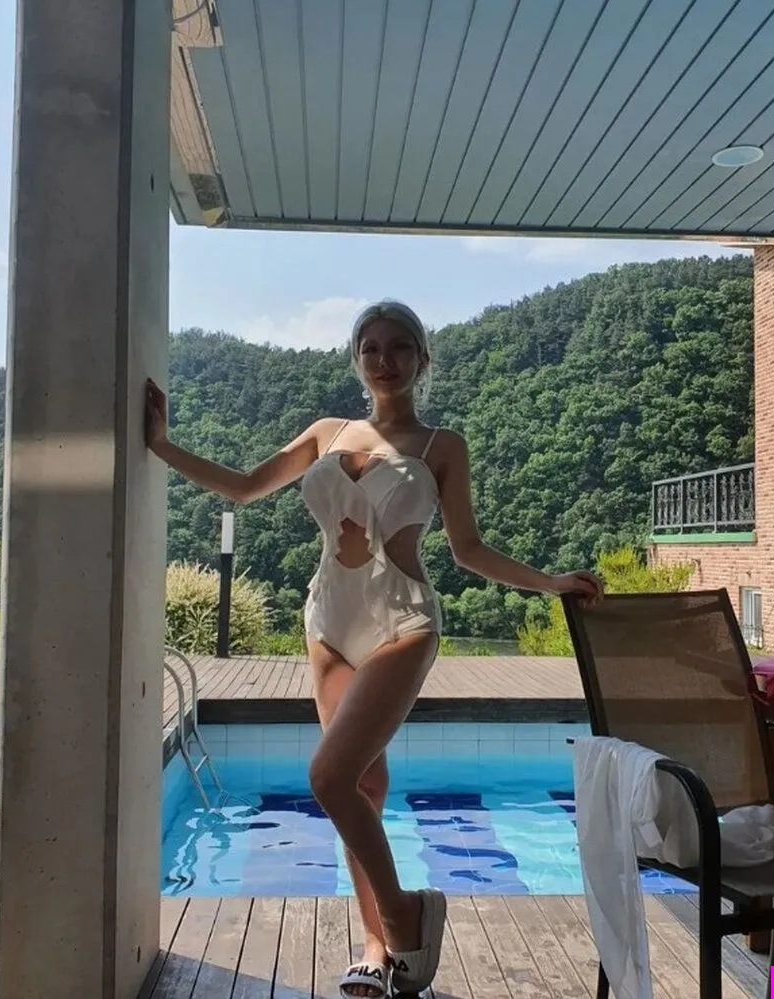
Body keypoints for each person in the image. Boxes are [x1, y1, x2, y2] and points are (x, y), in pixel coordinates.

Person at [144, 299, 604, 998]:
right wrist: (161, 445)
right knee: (361, 786)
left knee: (329, 777)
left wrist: (550, 583)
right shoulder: (326, 433)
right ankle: (374, 949)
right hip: (328, 623)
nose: (385, 359)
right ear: (357, 360)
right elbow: (244, 486)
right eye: (371, 348)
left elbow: (469, 549)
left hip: (403, 620)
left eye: (399, 347)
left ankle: (402, 913)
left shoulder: (441, 445)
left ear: (422, 359)